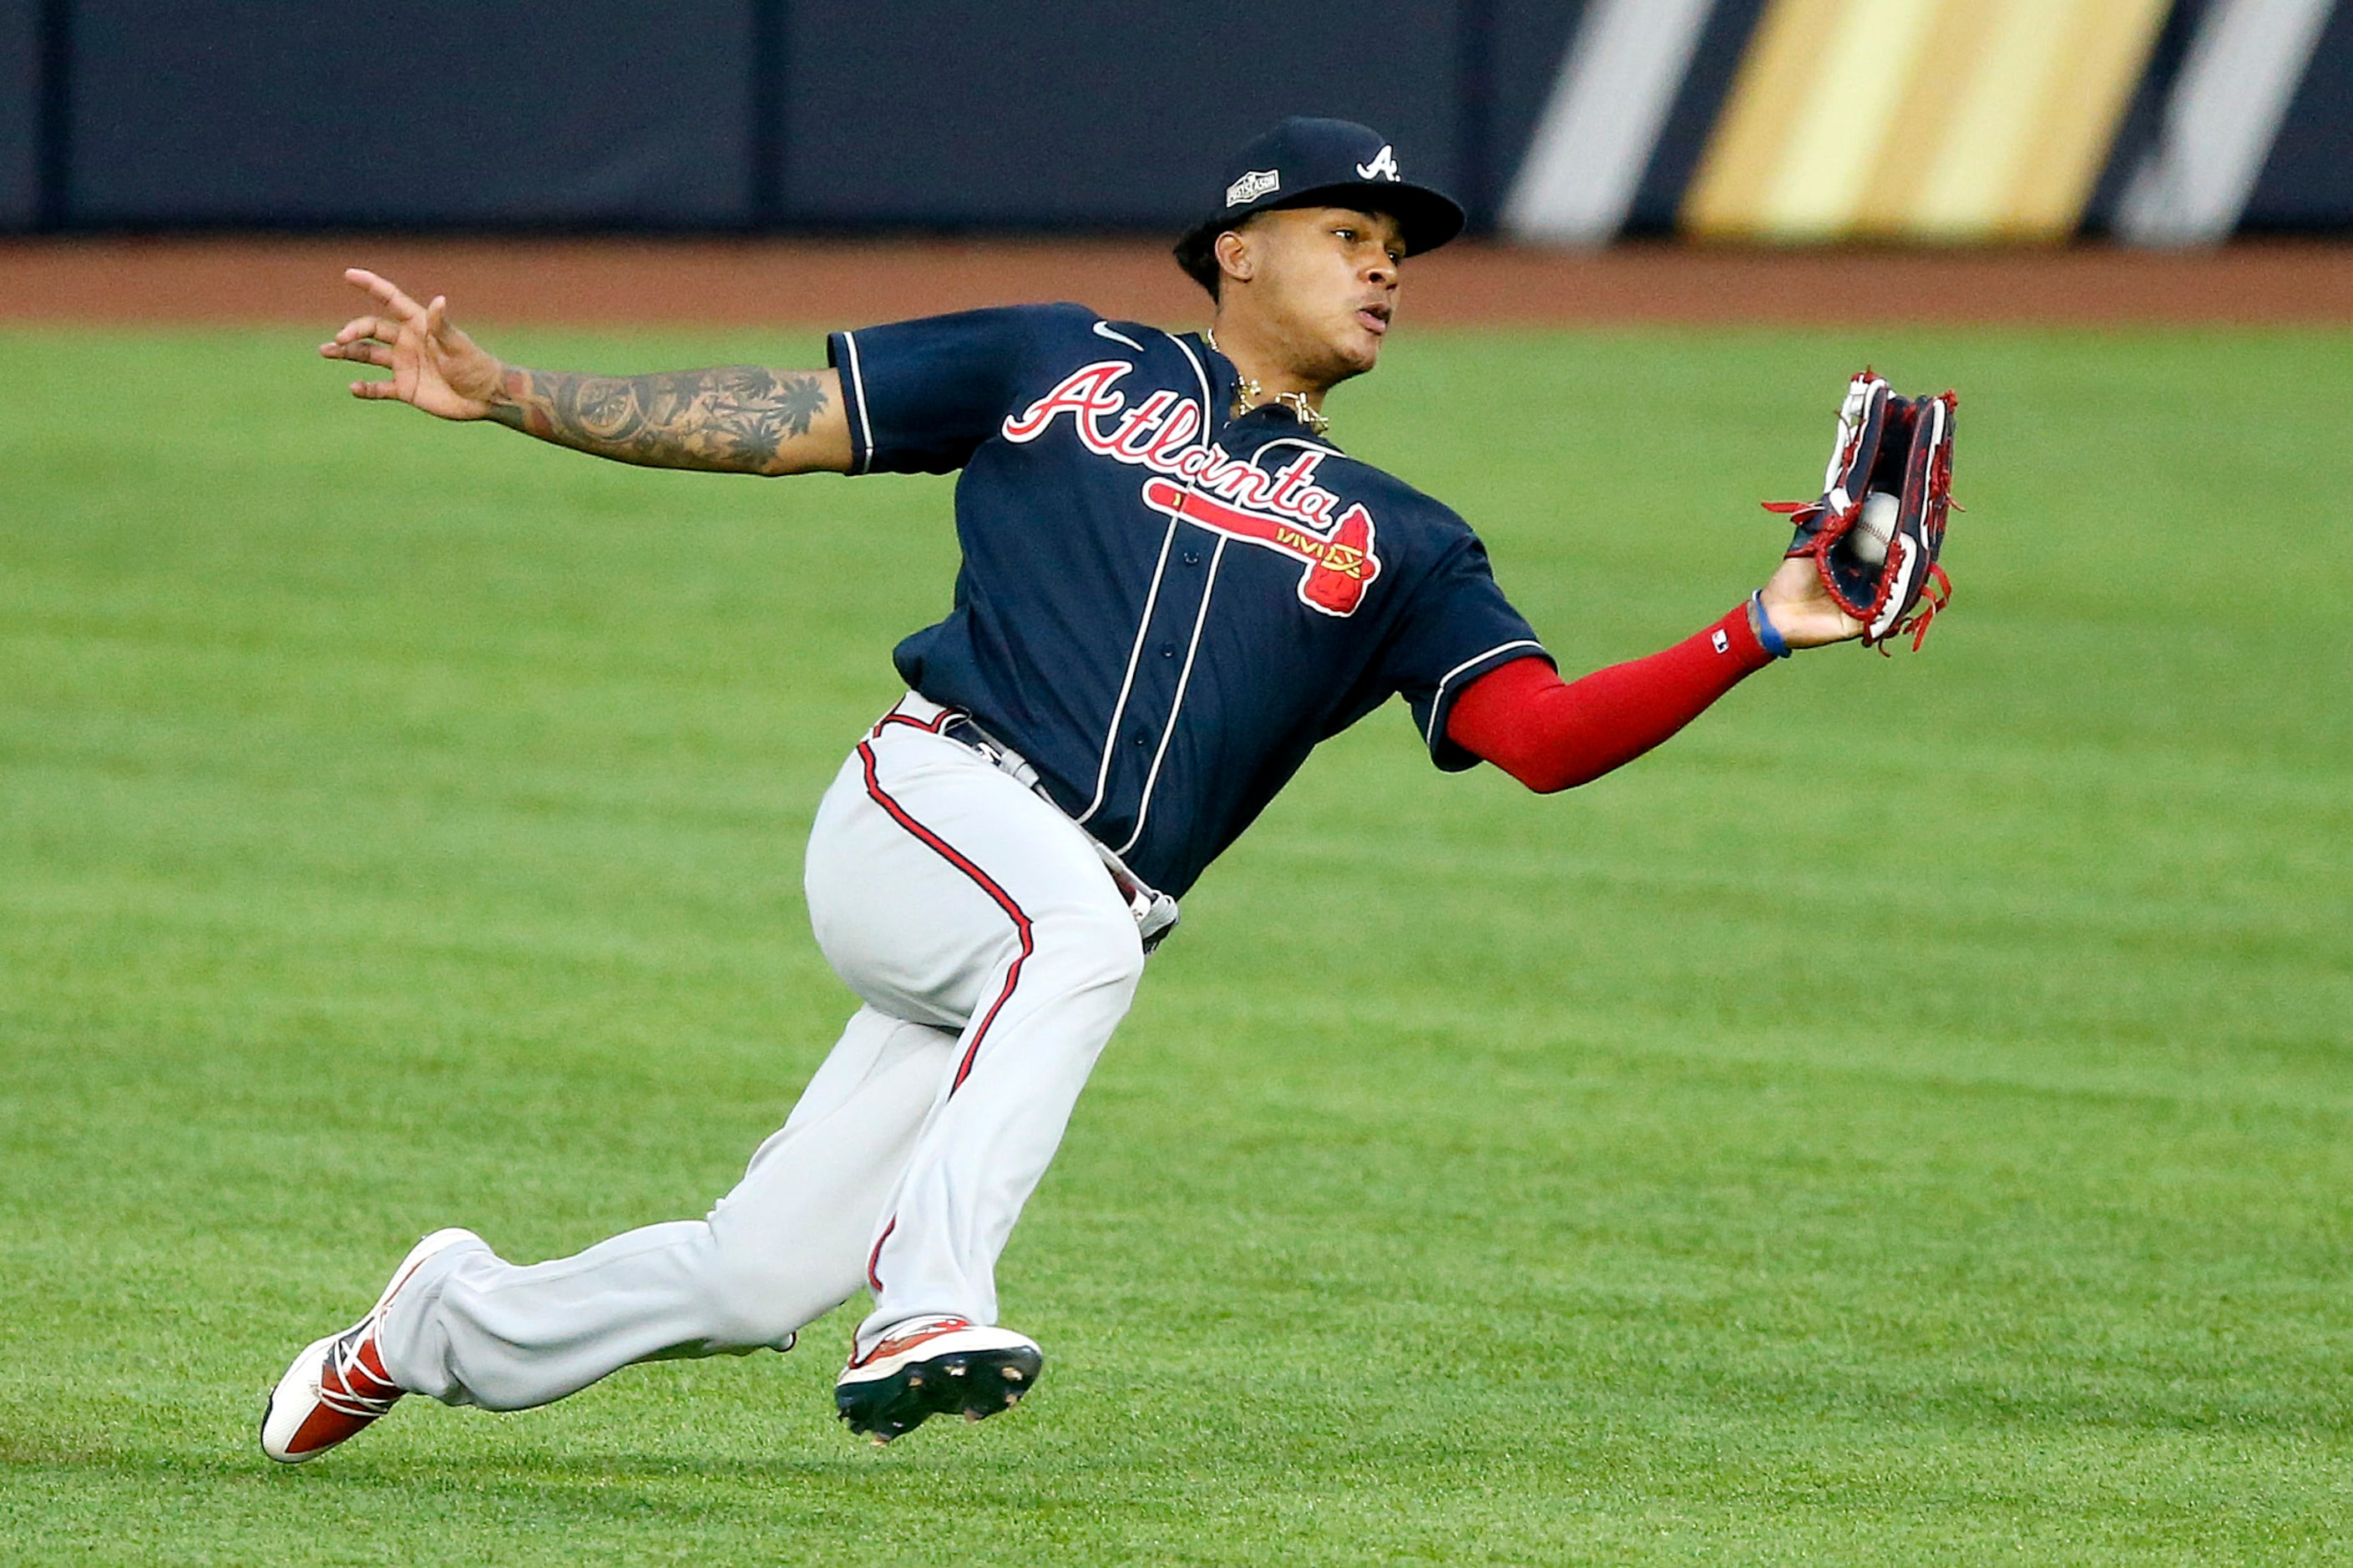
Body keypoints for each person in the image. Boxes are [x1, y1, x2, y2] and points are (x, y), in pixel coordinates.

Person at [261, 116, 1864, 1462]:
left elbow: (1546, 736)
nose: (1386, 264)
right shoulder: (1057, 359)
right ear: (1235, 246)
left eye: (1402, 248)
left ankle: (437, 1322)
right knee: (1079, 936)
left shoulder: (1406, 539)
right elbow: (774, 420)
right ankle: (930, 1301)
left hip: (1026, 941)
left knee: (753, 1279)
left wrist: (1762, 624)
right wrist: (514, 390)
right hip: (929, 810)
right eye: (1347, 230)